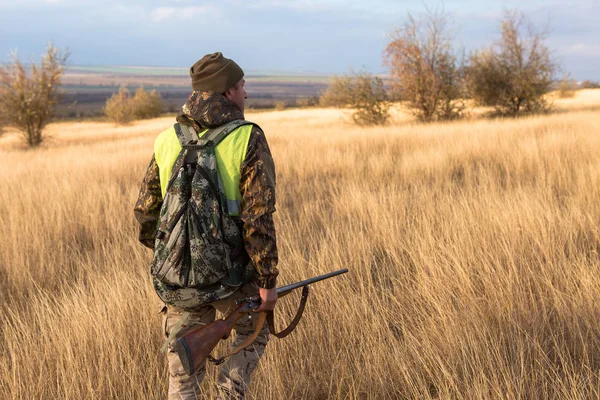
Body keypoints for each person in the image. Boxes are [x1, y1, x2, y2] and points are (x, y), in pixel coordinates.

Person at [134, 52, 279, 400]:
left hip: (177, 277)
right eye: (242, 85)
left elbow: (144, 213)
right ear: (227, 92)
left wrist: (174, 253)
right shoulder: (248, 137)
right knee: (251, 337)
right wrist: (268, 282)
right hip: (235, 276)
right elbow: (256, 219)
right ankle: (231, 392)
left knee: (183, 375)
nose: (246, 92)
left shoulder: (167, 138)